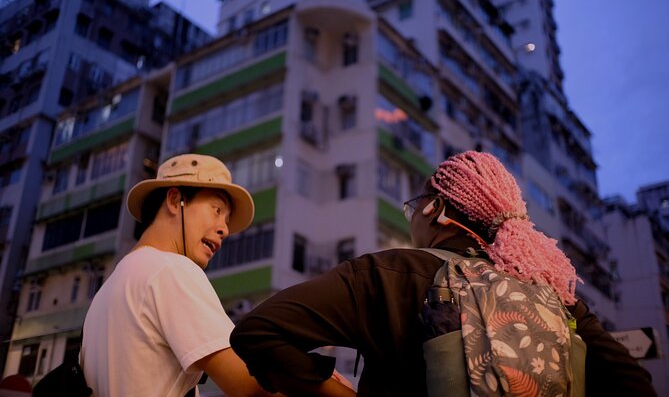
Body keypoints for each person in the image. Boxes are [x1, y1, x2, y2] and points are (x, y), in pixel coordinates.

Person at [230, 150, 657, 397]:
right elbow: (634, 387)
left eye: (415, 206)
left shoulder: (388, 273)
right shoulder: (555, 297)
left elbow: (259, 332)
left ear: (435, 210)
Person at [81, 154, 275, 397]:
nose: (224, 229)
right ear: (175, 200)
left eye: (225, 219)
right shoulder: (171, 269)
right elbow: (252, 386)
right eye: (217, 210)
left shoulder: (106, 291)